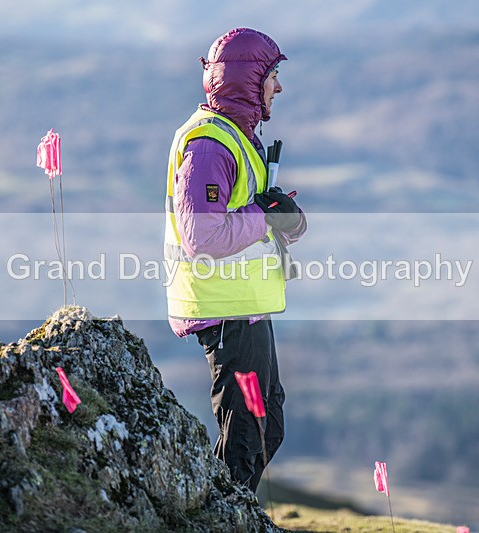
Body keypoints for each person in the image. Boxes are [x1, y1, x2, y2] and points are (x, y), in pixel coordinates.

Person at [163, 27, 307, 492]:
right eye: (273, 76)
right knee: (247, 440)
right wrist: (265, 218)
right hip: (225, 310)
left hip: (246, 307)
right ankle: (218, 518)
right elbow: (202, 235)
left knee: (267, 430)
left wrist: (284, 218)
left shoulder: (239, 138)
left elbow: (250, 214)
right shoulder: (209, 145)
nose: (278, 87)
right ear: (248, 80)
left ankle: (221, 512)